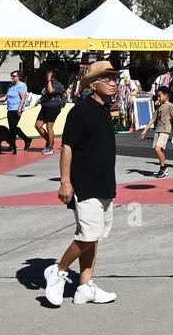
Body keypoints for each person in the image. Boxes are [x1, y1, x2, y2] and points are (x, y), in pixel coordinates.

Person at [44, 62, 120, 307]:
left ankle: (85, 286)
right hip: (85, 183)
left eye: (114, 79)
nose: (113, 82)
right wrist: (65, 182)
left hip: (105, 182)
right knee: (87, 234)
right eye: (106, 79)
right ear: (93, 84)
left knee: (94, 235)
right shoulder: (80, 111)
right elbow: (67, 147)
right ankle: (58, 271)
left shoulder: (105, 109)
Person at [139, 87, 173, 178]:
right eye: (157, 97)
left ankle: (163, 168)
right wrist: (145, 130)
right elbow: (153, 119)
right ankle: (162, 168)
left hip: (165, 130)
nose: (158, 98)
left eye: (159, 96)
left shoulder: (170, 105)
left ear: (166, 96)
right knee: (159, 150)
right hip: (158, 130)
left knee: (157, 149)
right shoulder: (160, 107)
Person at [0, 70, 33, 154]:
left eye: (14, 76)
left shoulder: (22, 85)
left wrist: (19, 109)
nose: (12, 77)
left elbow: (23, 98)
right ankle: (13, 145)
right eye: (12, 76)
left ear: (19, 77)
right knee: (12, 129)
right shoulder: (11, 87)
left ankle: (26, 138)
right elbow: (5, 98)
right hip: (10, 109)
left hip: (16, 109)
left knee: (13, 127)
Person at [35, 69, 66, 155]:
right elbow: (45, 94)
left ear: (53, 77)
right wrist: (39, 101)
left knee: (49, 127)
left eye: (48, 75)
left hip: (53, 107)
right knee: (38, 125)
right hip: (44, 107)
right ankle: (50, 141)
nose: (46, 76)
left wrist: (49, 80)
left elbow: (51, 91)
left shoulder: (57, 84)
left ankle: (50, 147)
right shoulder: (47, 84)